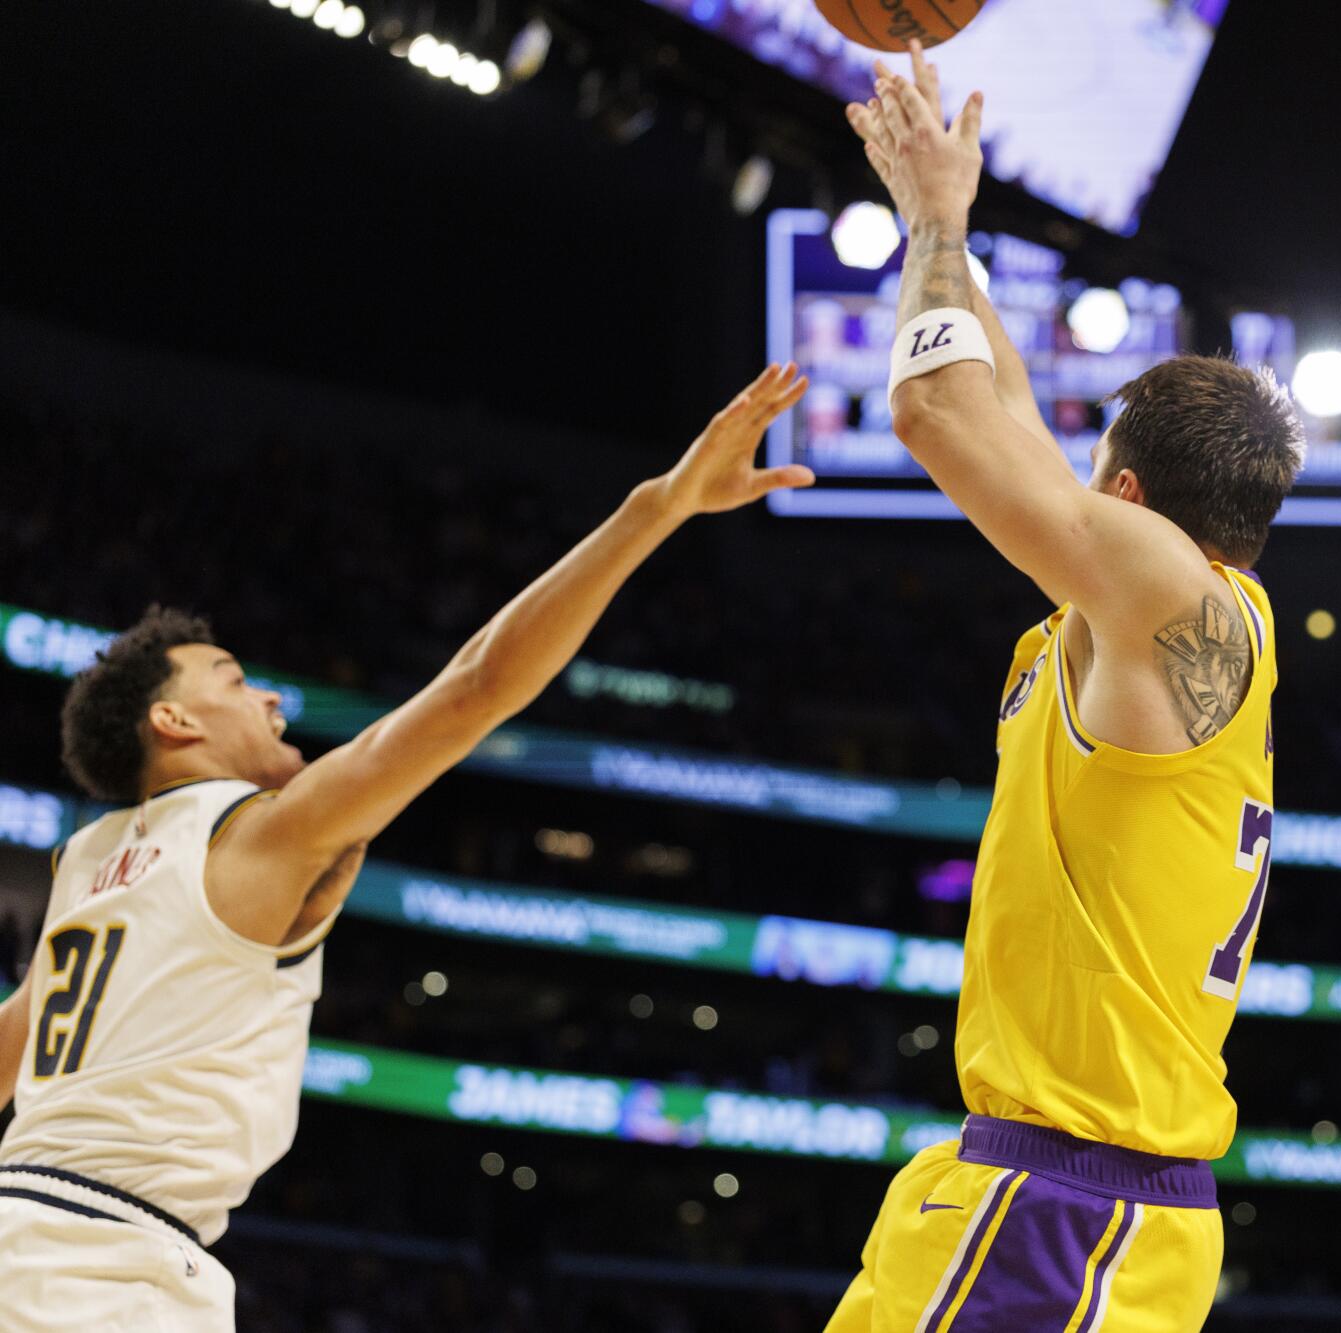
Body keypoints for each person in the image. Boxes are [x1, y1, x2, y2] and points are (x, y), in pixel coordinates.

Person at [0, 365, 815, 1330]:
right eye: (233, 678)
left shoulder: (89, 862)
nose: (268, 695)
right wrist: (657, 505)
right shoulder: (267, 828)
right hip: (106, 1274)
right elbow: (477, 687)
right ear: (172, 719)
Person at [828, 47, 1304, 1332]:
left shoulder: (1171, 598)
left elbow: (940, 416)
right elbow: (1014, 425)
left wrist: (928, 223)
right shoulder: (1155, 608)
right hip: (1034, 1179)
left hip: (1070, 1203)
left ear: (1131, 498)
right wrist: (954, 222)